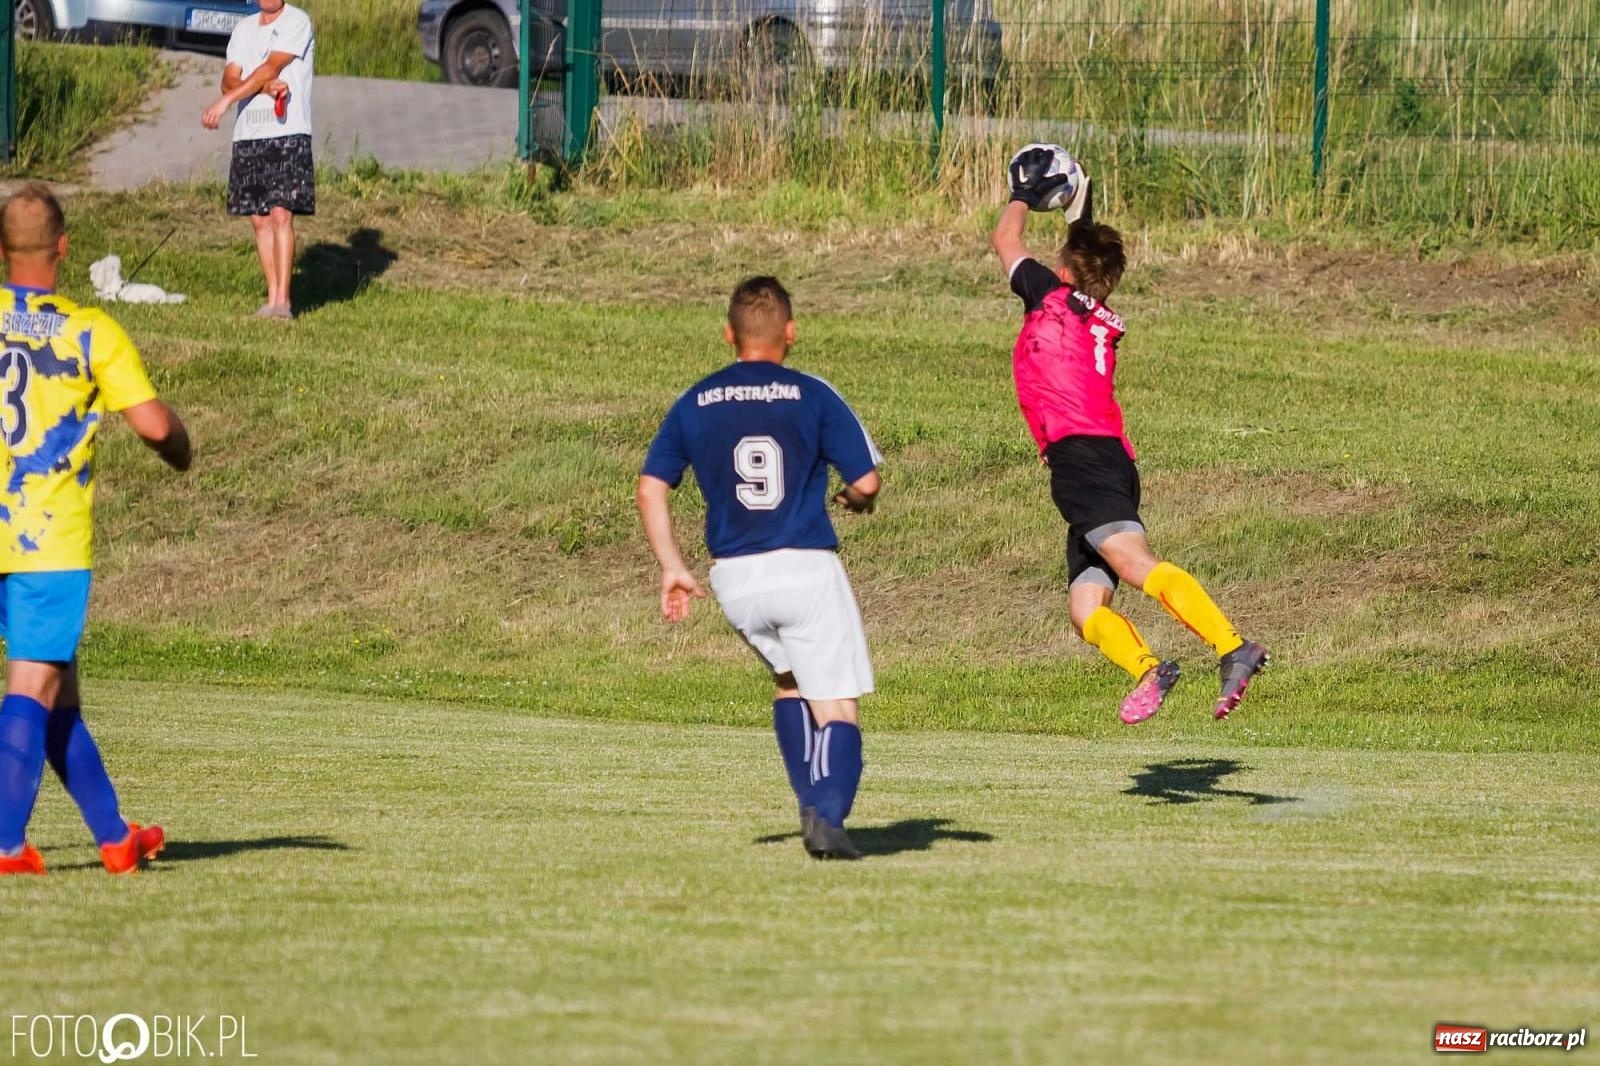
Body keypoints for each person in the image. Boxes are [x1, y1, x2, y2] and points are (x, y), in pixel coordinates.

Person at [992, 147, 1269, 726]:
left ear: (1063, 269)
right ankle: (1147, 667)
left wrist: (1022, 194)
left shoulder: (1049, 295)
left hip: (1082, 458)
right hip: (1106, 458)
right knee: (1085, 607)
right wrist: (1077, 206)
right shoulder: (1095, 310)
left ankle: (1230, 645)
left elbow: (1005, 242)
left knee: (1136, 564)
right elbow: (1085, 257)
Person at [636, 277, 882, 860]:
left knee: (790, 681)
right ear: (791, 333)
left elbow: (651, 489)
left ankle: (809, 803)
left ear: (729, 335)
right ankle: (827, 813)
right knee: (838, 705)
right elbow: (866, 480)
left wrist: (672, 566)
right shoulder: (813, 394)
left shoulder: (695, 401)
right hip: (802, 567)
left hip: (735, 580)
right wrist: (856, 500)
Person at [0, 185, 194, 876]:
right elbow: (154, 425)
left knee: (60, 696)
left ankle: (115, 837)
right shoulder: (90, 331)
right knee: (31, 681)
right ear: (63, 248)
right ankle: (5, 844)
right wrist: (181, 448)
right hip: (43, 539)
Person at [201, 0, 317, 320]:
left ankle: (283, 302)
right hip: (249, 132)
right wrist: (263, 89)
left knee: (281, 213)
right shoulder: (242, 29)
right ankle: (271, 298)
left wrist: (226, 102)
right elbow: (229, 77)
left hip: (287, 130)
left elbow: (271, 66)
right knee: (259, 219)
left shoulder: (297, 21)